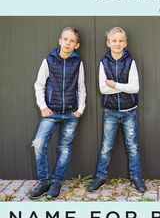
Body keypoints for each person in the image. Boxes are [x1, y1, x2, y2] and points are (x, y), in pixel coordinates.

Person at [29, 27, 86, 199]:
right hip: (51, 112)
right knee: (38, 143)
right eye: (65, 39)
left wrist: (80, 109)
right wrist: (43, 107)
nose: (68, 43)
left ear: (76, 45)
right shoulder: (49, 60)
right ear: (60, 41)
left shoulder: (78, 62)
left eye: (72, 41)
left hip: (71, 113)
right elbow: (39, 84)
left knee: (65, 148)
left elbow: (81, 87)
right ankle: (44, 181)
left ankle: (57, 182)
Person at [88, 27, 146, 193]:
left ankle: (136, 177)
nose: (117, 43)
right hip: (110, 112)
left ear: (125, 43)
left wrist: (115, 85)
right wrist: (123, 87)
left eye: (121, 40)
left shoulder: (130, 62)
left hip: (129, 111)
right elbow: (103, 89)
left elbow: (135, 88)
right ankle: (100, 176)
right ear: (108, 43)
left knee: (132, 146)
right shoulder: (103, 62)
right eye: (114, 40)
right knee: (106, 146)